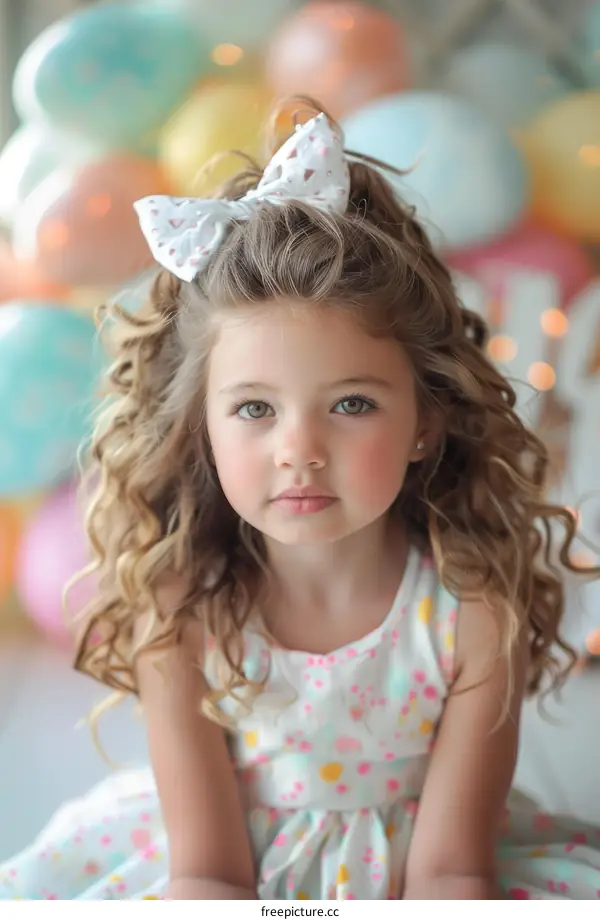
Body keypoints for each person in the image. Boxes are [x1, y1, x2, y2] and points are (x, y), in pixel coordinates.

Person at [1, 99, 599, 901]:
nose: (300, 450)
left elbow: (453, 872)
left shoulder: (473, 615)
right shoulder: (184, 611)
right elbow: (209, 872)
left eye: (352, 404)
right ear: (202, 430)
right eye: (254, 409)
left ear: (426, 423)